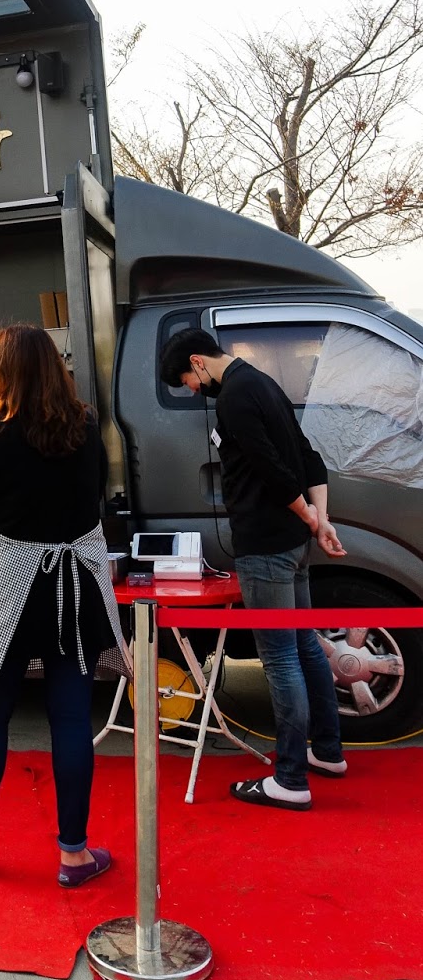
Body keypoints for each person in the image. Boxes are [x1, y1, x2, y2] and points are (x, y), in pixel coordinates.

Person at [0, 324, 130, 885]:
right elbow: (93, 500)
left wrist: (19, 545)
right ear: (54, 366)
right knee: (71, 718)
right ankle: (74, 855)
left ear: (3, 371)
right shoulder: (85, 427)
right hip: (77, 586)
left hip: (13, 588)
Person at [159, 328, 348, 811]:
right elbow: (308, 457)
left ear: (197, 362)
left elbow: (272, 470)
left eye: (187, 381)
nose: (192, 391)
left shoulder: (235, 398)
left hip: (265, 545)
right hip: (293, 542)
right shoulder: (263, 383)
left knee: (281, 657)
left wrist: (309, 516)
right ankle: (328, 752)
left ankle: (290, 778)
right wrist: (318, 520)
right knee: (305, 645)